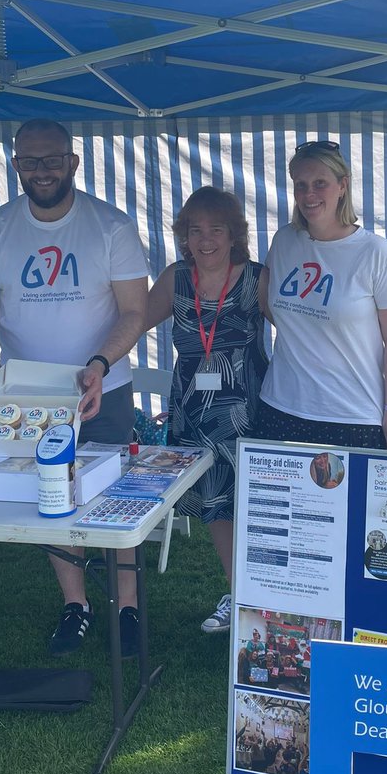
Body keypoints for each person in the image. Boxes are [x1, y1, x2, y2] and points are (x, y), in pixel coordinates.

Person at [0, 119, 149, 657]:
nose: (41, 171)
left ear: (73, 161)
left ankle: (127, 607)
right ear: (16, 165)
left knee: (119, 498)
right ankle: (76, 605)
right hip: (30, 395)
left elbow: (135, 312)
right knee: (51, 499)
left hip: (102, 387)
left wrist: (99, 363)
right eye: (29, 162)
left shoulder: (111, 226)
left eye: (51, 160)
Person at [143, 186, 268, 633]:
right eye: (195, 230)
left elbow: (302, 335)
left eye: (216, 229)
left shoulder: (257, 278)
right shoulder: (176, 277)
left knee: (257, 505)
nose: (205, 240)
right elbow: (131, 320)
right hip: (195, 411)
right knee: (217, 505)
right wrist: (96, 361)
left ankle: (267, 594)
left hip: (248, 411)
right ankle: (239, 596)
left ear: (234, 233)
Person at [254, 139, 387, 451]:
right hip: (280, 407)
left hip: (351, 416)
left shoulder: (377, 254)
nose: (308, 195)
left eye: (320, 183)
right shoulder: (284, 241)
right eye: (300, 185)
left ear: (343, 185)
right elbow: (269, 303)